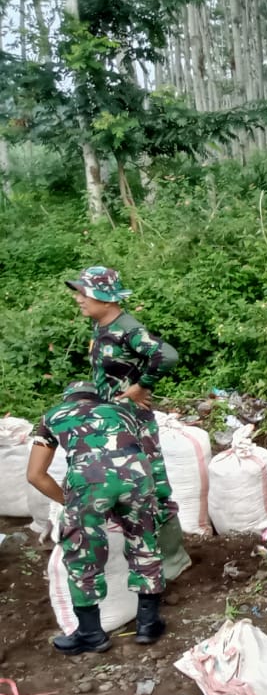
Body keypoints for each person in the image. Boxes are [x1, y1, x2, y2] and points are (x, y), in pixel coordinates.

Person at [67, 266, 189, 579]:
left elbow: (167, 355)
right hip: (113, 423)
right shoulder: (100, 326)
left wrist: (141, 386)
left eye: (84, 293)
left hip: (135, 423)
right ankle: (142, 553)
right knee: (125, 490)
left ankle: (174, 560)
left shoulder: (128, 329)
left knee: (153, 486)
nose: (78, 298)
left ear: (106, 298)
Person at [26, 382, 166, 654]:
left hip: (89, 479)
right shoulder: (122, 412)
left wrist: (68, 502)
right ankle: (148, 625)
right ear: (97, 398)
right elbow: (146, 451)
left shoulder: (52, 416)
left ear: (68, 399)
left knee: (83, 553)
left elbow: (35, 475)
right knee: (144, 544)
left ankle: (91, 634)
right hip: (138, 475)